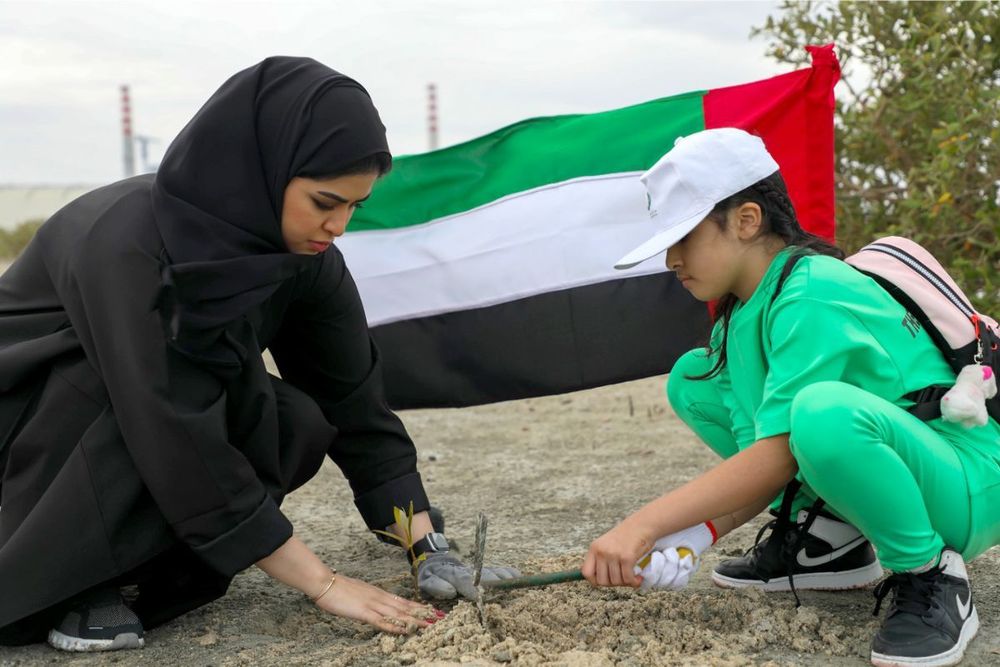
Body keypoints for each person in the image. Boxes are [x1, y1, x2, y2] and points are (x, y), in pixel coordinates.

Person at [0, 56, 514, 652]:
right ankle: (63, 582)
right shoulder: (129, 241)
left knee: (289, 418)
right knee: (126, 393)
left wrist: (423, 544)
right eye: (325, 202)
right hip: (33, 429)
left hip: (147, 421)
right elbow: (169, 421)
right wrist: (323, 584)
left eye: (355, 207)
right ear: (265, 170)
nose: (339, 225)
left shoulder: (305, 257)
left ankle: (132, 577)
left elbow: (353, 401)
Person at [582, 128, 1000, 667]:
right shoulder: (742, 313)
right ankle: (827, 543)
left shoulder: (810, 292)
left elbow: (778, 454)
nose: (670, 261)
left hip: (968, 481)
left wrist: (641, 526)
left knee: (820, 414)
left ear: (747, 220)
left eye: (683, 238)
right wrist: (696, 534)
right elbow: (764, 460)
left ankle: (930, 573)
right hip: (912, 471)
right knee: (695, 379)